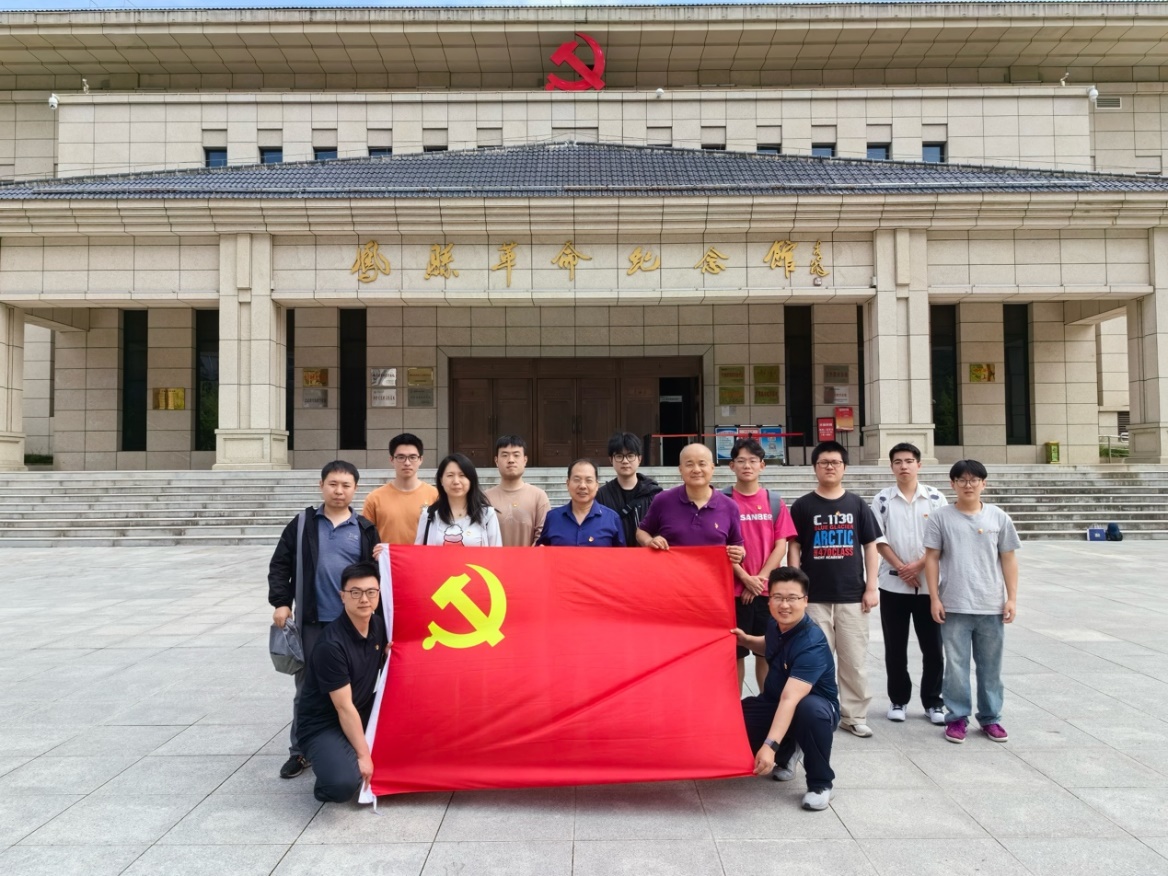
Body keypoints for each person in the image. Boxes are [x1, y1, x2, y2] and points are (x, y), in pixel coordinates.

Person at [268, 461, 379, 779]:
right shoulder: (303, 523)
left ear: (355, 489)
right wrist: (281, 602)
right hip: (313, 623)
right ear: (321, 486)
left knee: (353, 688)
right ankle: (300, 751)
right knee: (307, 688)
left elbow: (376, 577)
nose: (339, 491)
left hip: (354, 625)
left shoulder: (364, 528)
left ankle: (346, 743)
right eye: (333, 484)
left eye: (346, 485)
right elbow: (280, 564)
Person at [788, 441, 883, 738]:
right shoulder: (803, 506)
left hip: (852, 596)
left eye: (835, 462)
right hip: (814, 597)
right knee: (814, 660)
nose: (830, 467)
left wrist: (871, 587)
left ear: (844, 467)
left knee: (854, 661)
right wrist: (796, 588)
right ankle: (817, 713)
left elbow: (871, 546)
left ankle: (854, 716)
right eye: (824, 462)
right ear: (815, 468)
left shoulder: (857, 504)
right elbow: (794, 547)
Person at [924, 459, 1021, 744]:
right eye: (962, 480)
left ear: (983, 484)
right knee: (956, 667)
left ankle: (991, 718)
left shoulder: (998, 517)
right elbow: (931, 558)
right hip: (954, 603)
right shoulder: (940, 517)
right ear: (952, 484)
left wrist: (1012, 598)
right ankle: (957, 718)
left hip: (991, 604)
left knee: (991, 667)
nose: (968, 485)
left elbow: (1009, 558)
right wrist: (934, 597)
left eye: (974, 480)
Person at [735, 567, 840, 812]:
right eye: (778, 597)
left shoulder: (812, 642)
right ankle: (789, 747)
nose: (784, 605)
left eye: (792, 598)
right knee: (732, 725)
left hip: (813, 708)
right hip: (773, 703)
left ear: (805, 601)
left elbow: (790, 698)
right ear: (769, 599)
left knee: (809, 710)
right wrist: (745, 639)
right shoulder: (775, 623)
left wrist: (769, 746)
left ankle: (820, 784)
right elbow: (769, 644)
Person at [295, 560, 389, 803]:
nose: (364, 599)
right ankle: (332, 762)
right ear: (342, 596)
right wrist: (363, 756)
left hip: (360, 709)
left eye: (371, 592)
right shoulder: (331, 645)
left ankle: (344, 751)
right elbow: (343, 707)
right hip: (323, 723)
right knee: (342, 784)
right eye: (355, 592)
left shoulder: (378, 625)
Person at [871, 442, 949, 725]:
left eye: (909, 461)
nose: (903, 466)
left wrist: (918, 565)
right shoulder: (882, 499)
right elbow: (878, 538)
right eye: (898, 462)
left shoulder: (936, 498)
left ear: (919, 464)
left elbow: (943, 539)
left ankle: (933, 702)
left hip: (929, 586)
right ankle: (898, 699)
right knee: (895, 647)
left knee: (933, 648)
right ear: (891, 466)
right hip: (893, 586)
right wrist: (901, 568)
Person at [726, 437, 799, 690]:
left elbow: (781, 545)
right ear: (731, 466)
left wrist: (759, 580)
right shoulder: (722, 501)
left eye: (753, 461)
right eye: (741, 461)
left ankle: (766, 705)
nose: (747, 466)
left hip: (766, 592)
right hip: (732, 592)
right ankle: (734, 707)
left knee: (766, 652)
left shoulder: (774, 501)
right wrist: (745, 578)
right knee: (734, 654)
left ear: (762, 465)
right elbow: (719, 546)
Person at [636, 443, 745, 567]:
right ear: (680, 469)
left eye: (702, 464)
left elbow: (737, 545)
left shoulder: (730, 506)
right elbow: (642, 531)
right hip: (672, 576)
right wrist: (650, 541)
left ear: (712, 468)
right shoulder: (663, 500)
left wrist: (740, 554)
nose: (696, 470)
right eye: (689, 464)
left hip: (713, 577)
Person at [361, 433, 439, 548]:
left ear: (420, 460)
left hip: (423, 559)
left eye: (412, 457)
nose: (407, 463)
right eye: (401, 457)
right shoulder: (374, 498)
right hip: (388, 559)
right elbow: (366, 538)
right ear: (392, 460)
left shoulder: (435, 496)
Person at [416, 453, 503, 547]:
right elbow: (418, 552)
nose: (456, 481)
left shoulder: (487, 515)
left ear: (471, 479)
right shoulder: (429, 515)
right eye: (450, 475)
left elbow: (496, 552)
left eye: (462, 475)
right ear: (441, 480)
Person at [595, 432, 663, 548]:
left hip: (647, 555)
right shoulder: (601, 495)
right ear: (611, 459)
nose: (625, 461)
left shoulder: (654, 494)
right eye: (619, 456)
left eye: (630, 456)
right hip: (614, 556)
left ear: (639, 459)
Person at [538, 459, 625, 547]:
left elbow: (621, 554)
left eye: (588, 480)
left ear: (596, 485)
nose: (582, 486)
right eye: (577, 480)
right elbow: (541, 550)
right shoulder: (553, 517)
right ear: (568, 484)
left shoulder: (612, 519)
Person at [485, 435, 550, 546]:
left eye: (516, 455)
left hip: (530, 557)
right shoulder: (485, 498)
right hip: (494, 557)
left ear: (525, 460)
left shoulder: (539, 496)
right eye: (505, 455)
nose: (511, 460)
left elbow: (542, 537)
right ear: (496, 460)